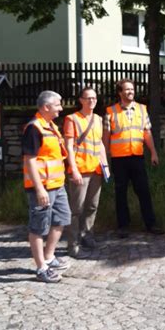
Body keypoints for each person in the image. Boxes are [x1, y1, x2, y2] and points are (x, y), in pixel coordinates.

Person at [103, 78, 163, 237]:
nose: (131, 92)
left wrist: (154, 152)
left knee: (143, 191)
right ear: (120, 92)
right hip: (119, 159)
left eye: (132, 89)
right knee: (120, 193)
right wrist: (105, 157)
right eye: (127, 89)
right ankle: (123, 226)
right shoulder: (110, 111)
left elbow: (147, 132)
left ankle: (151, 223)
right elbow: (106, 137)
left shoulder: (142, 109)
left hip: (137, 157)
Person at [22, 91, 71, 283]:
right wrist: (39, 189)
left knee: (62, 218)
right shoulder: (34, 128)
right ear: (46, 107)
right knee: (38, 227)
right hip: (42, 187)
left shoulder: (50, 126)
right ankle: (41, 268)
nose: (61, 108)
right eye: (58, 104)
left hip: (57, 185)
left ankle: (49, 257)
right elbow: (30, 161)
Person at [63, 87, 108, 257]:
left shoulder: (97, 119)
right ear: (81, 100)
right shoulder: (72, 119)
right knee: (76, 209)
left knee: (92, 206)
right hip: (80, 170)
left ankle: (87, 236)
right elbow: (68, 146)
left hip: (96, 169)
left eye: (94, 98)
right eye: (88, 98)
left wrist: (105, 165)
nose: (92, 101)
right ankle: (72, 244)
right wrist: (73, 169)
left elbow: (100, 144)